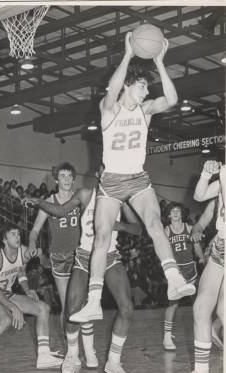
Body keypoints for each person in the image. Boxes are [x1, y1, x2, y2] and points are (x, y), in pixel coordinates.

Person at [71, 31, 195, 323]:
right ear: (128, 85)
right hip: (112, 181)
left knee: (154, 223)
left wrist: (160, 62)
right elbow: (111, 91)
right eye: (141, 86)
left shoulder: (146, 110)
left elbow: (172, 99)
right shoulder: (109, 109)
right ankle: (93, 302)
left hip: (137, 178)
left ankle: (174, 278)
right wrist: (128, 55)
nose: (145, 92)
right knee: (101, 237)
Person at [27, 177, 142, 373]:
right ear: (98, 176)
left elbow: (138, 229)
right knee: (72, 310)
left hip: (109, 256)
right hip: (84, 256)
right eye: (103, 173)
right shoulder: (85, 194)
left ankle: (113, 362)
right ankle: (71, 354)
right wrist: (38, 202)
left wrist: (118, 225)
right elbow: (60, 211)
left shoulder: (119, 199)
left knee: (127, 308)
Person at [0, 222, 62, 373]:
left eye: (18, 234)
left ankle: (44, 356)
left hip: (6, 292)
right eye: (13, 234)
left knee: (43, 308)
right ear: (4, 239)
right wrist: (14, 308)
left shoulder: (22, 251)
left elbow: (21, 273)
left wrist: (27, 289)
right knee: (6, 319)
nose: (17, 237)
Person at [171, 161, 224, 373]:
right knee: (201, 308)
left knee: (223, 312)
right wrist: (206, 173)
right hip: (221, 247)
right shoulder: (224, 172)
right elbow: (200, 194)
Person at [28, 162, 81, 327]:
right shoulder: (49, 201)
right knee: (67, 306)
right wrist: (31, 243)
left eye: (69, 176)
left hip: (79, 254)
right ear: (56, 180)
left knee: (80, 304)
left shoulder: (80, 199)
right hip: (59, 255)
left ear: (73, 180)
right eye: (63, 176)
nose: (66, 179)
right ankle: (69, 348)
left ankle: (79, 344)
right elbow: (35, 229)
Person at [163, 202, 204, 350]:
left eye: (177, 211)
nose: (175, 213)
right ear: (168, 215)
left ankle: (202, 334)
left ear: (182, 214)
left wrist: (201, 258)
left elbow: (197, 246)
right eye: (172, 211)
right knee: (173, 304)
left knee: (198, 304)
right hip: (176, 271)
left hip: (191, 269)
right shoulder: (166, 230)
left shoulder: (190, 228)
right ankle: (167, 336)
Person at [190, 198, 223, 350]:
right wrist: (196, 231)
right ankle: (201, 372)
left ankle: (216, 325)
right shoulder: (217, 199)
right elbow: (200, 223)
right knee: (202, 306)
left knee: (222, 309)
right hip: (219, 252)